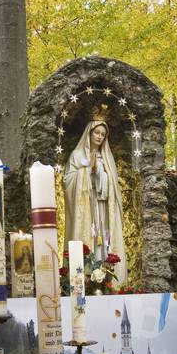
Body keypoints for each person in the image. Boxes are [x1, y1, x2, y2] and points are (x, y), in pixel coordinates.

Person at [63, 116, 127, 282]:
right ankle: (86, 275)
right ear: (89, 134)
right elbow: (67, 180)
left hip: (102, 204)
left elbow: (112, 183)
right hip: (84, 204)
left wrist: (98, 171)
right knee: (89, 236)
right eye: (97, 133)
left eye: (103, 134)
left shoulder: (105, 157)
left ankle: (104, 274)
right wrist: (86, 171)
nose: (99, 137)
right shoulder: (77, 155)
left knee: (102, 237)